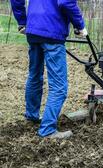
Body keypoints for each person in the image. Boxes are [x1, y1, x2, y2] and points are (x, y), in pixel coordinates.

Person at [10, 0, 87, 138]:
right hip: (52, 29)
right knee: (59, 87)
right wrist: (79, 25)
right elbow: (66, 2)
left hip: (33, 28)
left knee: (34, 75)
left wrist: (22, 21)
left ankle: (32, 116)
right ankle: (48, 129)